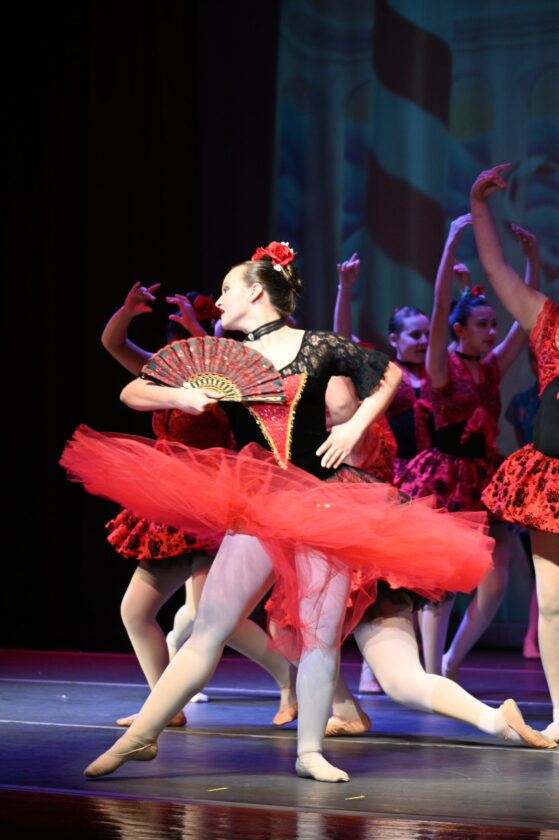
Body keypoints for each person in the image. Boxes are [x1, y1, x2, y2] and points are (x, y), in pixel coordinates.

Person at [61, 241, 501, 783]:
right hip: (262, 501)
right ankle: (140, 737)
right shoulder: (225, 357)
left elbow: (386, 375)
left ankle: (310, 752)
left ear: (255, 292)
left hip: (324, 502)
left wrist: (354, 426)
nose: (220, 299)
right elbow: (133, 390)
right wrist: (180, 398)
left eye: (227, 288)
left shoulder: (317, 346)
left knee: (319, 638)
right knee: (208, 628)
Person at [99, 280, 297, 726]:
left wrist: (200, 331)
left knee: (216, 616)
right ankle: (165, 706)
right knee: (137, 611)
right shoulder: (163, 373)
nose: (179, 353)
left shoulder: (228, 376)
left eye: (187, 343)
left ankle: (292, 679)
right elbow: (114, 344)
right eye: (175, 346)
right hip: (169, 501)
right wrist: (127, 311)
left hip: (214, 499)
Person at [398, 213, 540, 680]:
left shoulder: (492, 367)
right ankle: (429, 675)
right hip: (445, 477)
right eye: (483, 324)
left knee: (495, 584)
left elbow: (526, 322)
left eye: (493, 324)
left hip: (484, 476)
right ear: (460, 329)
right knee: (441, 583)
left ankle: (448, 663)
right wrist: (451, 241)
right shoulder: (442, 366)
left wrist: (532, 263)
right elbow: (441, 307)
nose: (492, 331)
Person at [470, 162, 559, 742]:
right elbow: (496, 269)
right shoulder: (548, 321)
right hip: (553, 480)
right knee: (550, 604)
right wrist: (479, 204)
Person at [504, 342, 541, 659]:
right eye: (533, 358)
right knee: (539, 571)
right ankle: (532, 638)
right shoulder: (521, 403)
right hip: (537, 494)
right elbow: (523, 452)